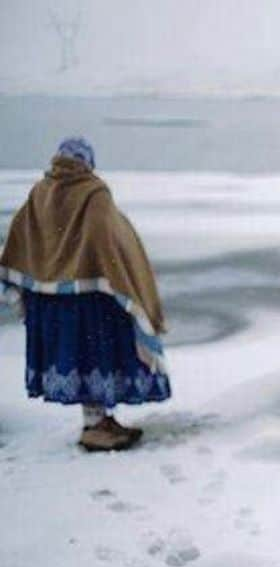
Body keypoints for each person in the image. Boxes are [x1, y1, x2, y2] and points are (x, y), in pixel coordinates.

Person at [0, 137, 171, 451]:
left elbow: (21, 238)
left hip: (53, 305)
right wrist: (125, 278)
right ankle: (96, 428)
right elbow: (108, 238)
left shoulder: (40, 192)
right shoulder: (93, 193)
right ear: (87, 161)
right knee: (97, 359)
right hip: (92, 298)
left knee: (77, 361)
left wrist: (42, 278)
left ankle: (98, 421)